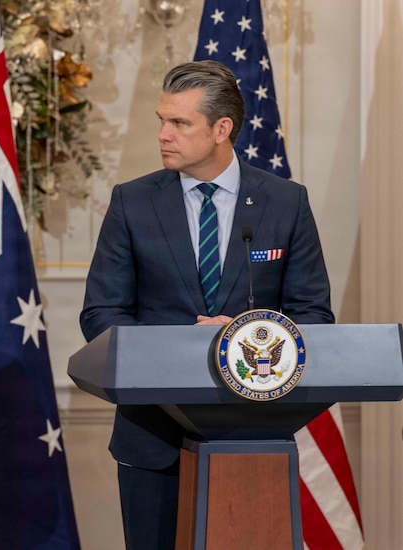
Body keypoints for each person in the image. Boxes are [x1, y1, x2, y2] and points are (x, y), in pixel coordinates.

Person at [79, 60, 334, 549]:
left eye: (179, 123)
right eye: (161, 120)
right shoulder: (132, 202)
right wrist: (181, 348)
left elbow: (314, 317)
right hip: (152, 439)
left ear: (222, 129)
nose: (163, 135)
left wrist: (242, 338)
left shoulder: (286, 202)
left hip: (254, 435)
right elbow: (101, 314)